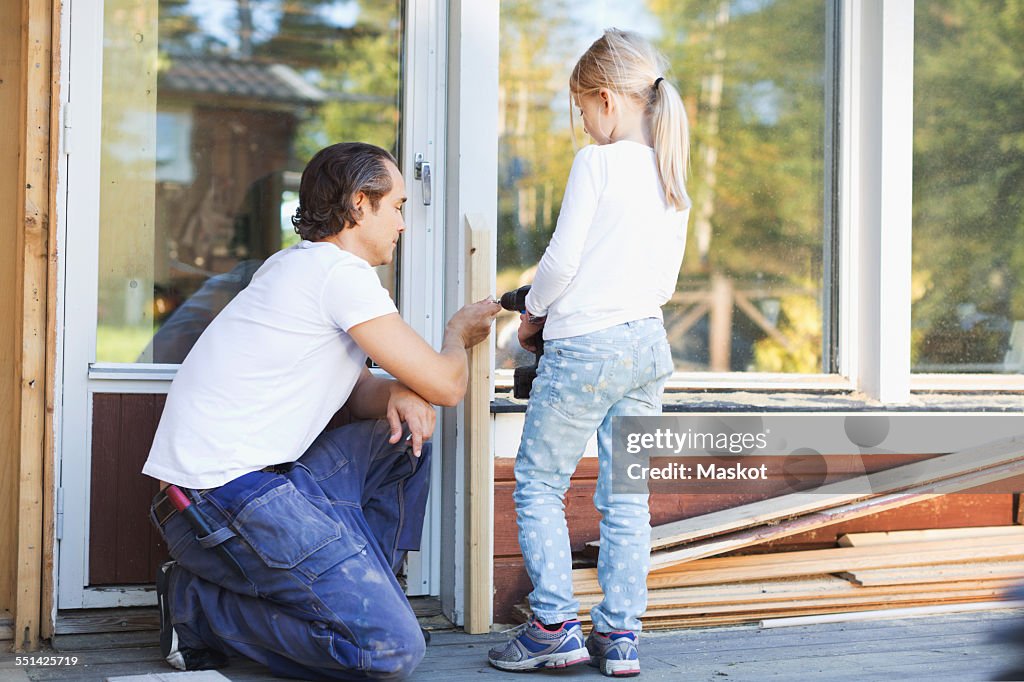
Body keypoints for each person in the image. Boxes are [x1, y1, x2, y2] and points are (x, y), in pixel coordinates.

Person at [143, 141, 501, 680]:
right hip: (219, 499)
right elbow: (450, 386)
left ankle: (373, 592)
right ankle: (198, 609)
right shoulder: (340, 275)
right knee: (389, 651)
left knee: (398, 440)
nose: (403, 224)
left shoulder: (298, 267)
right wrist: (457, 336)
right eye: (398, 206)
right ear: (360, 203)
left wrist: (402, 389)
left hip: (251, 487)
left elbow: (356, 395)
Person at [487, 29, 691, 676]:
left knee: (540, 483)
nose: (583, 124)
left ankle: (552, 625)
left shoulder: (597, 164)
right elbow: (662, 286)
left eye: (581, 110)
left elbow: (562, 262)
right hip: (646, 345)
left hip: (585, 350)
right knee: (626, 495)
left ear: (605, 99)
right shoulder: (669, 169)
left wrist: (532, 310)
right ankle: (620, 634)